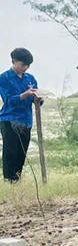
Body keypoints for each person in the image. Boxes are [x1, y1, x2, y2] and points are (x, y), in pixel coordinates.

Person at [1, 48, 41, 183]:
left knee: (21, 152)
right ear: (13, 61)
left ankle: (17, 179)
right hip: (9, 119)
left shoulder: (30, 79)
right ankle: (8, 180)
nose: (25, 68)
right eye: (23, 65)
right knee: (10, 151)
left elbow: (36, 99)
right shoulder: (4, 78)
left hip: (26, 120)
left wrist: (38, 99)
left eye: (28, 65)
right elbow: (8, 100)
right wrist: (24, 95)